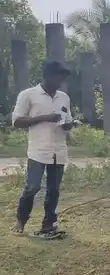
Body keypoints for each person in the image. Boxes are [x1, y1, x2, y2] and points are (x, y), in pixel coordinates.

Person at [11, 60, 78, 238]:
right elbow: (17, 121)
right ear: (48, 76)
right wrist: (44, 117)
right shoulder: (28, 95)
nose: (61, 82)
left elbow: (66, 121)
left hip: (59, 150)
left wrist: (69, 125)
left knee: (54, 189)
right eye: (59, 78)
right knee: (32, 187)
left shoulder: (64, 97)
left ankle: (49, 224)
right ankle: (21, 220)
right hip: (39, 150)